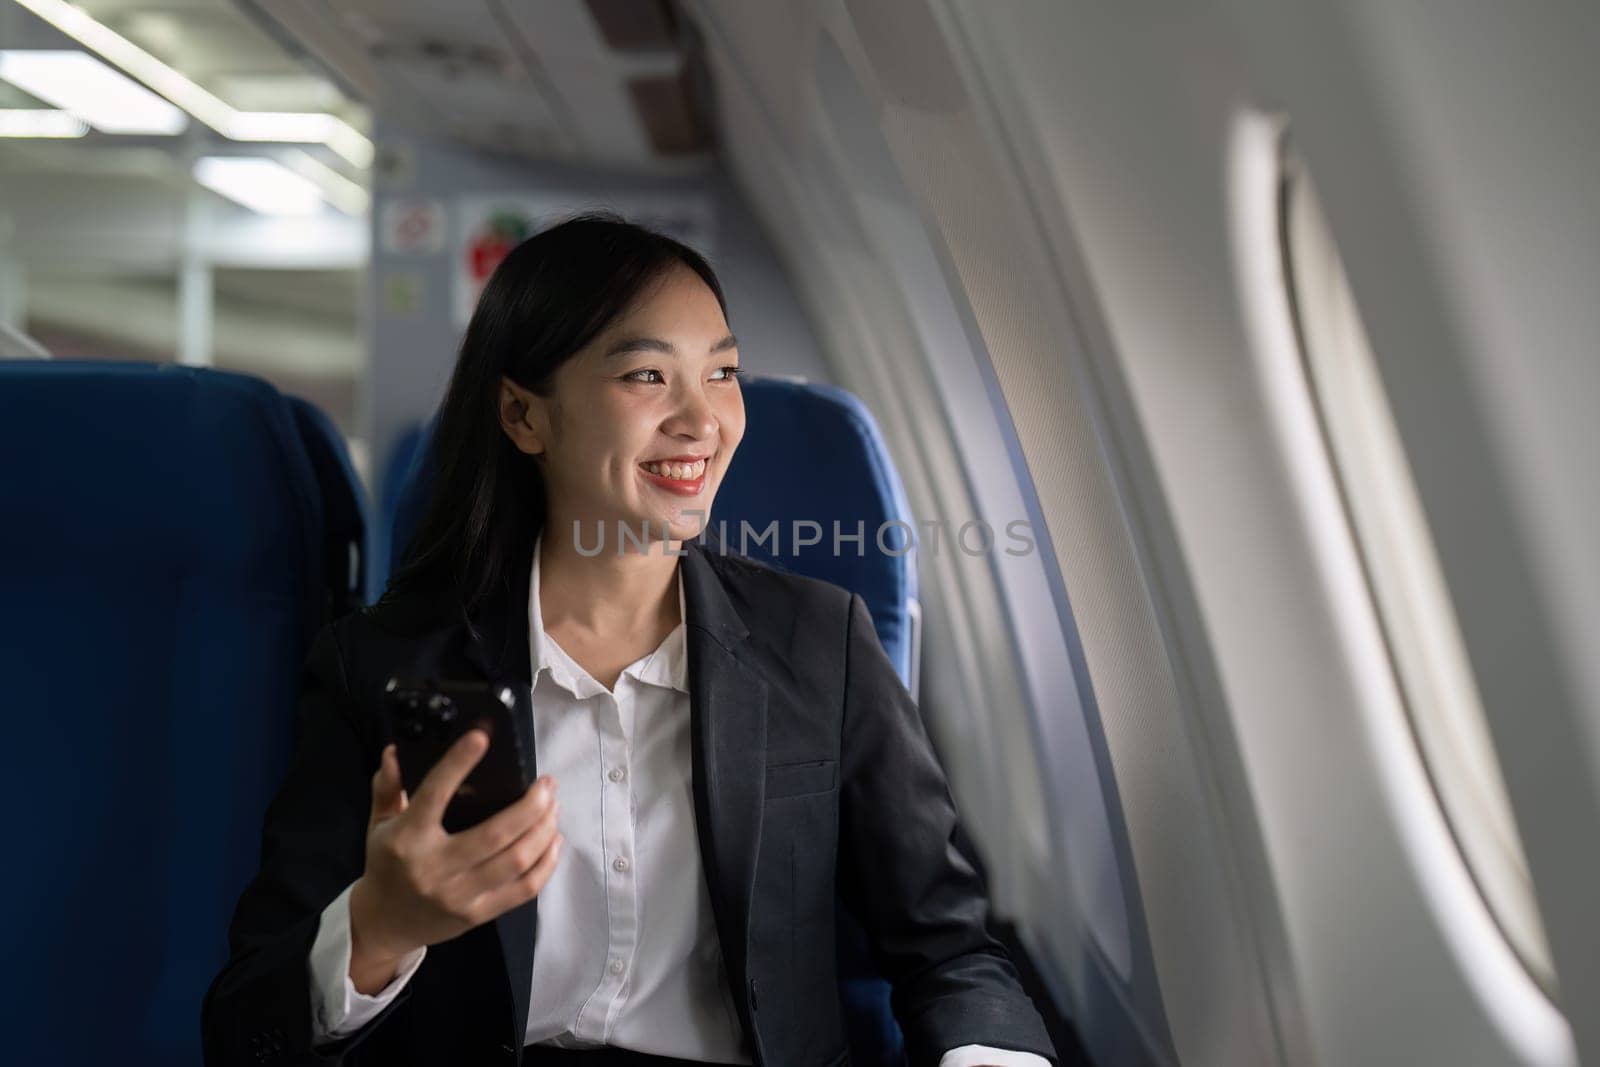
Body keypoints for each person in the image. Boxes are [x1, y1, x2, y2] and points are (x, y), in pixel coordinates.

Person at [201, 213, 1057, 1067]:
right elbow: (243, 1029)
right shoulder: (382, 666)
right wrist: (378, 928)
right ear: (524, 415)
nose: (702, 419)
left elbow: (951, 951)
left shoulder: (817, 644)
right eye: (649, 374)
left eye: (723, 372)